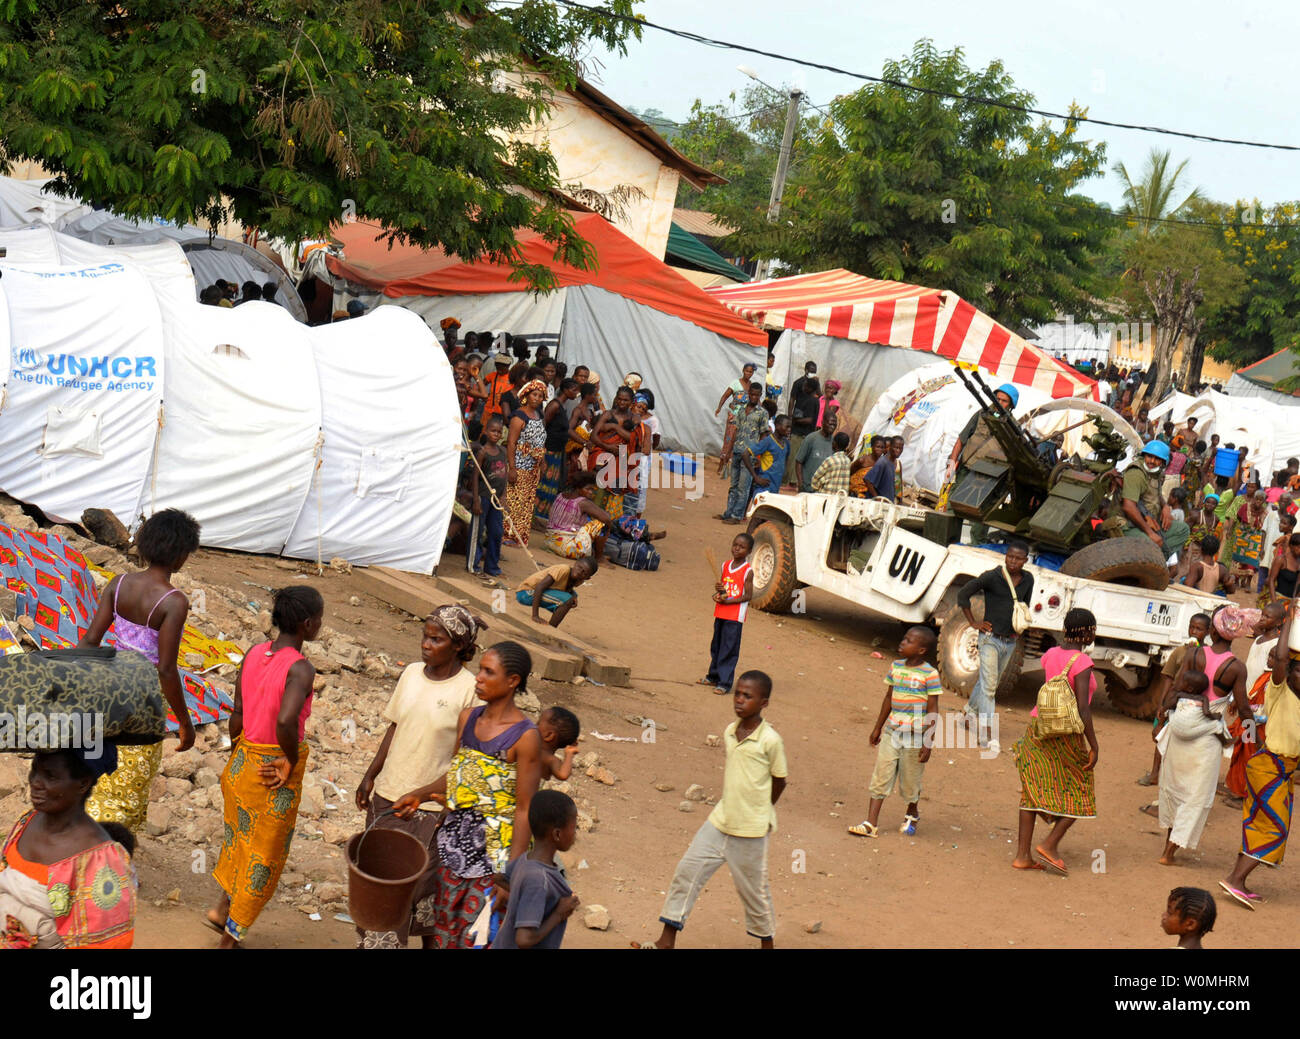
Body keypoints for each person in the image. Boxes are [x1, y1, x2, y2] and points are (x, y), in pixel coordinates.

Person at [395, 641, 542, 948]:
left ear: (513, 681)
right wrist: (419, 795)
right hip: (454, 848)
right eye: (480, 670)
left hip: (494, 858)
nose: (478, 678)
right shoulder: (469, 718)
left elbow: (525, 810)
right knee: (444, 934)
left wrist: (508, 875)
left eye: (489, 672)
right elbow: (458, 775)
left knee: (480, 939)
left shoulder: (526, 737)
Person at [354, 605, 485, 948]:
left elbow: (462, 758)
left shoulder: (469, 690)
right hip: (388, 795)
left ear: (457, 646)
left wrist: (445, 806)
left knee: (415, 894)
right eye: (425, 636)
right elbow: (395, 727)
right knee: (380, 883)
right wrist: (371, 775)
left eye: (436, 639)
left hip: (427, 810)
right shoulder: (411, 673)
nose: (426, 644)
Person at [210, 584, 323, 947]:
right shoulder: (301, 669)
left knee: (238, 843)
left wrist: (235, 758)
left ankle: (222, 907)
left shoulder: (254, 653)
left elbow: (237, 714)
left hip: (242, 761)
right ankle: (232, 936)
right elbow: (287, 722)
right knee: (263, 857)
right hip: (272, 769)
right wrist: (289, 760)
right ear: (308, 624)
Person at [642, 670, 786, 949]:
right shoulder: (731, 732)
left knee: (753, 891)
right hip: (720, 821)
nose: (740, 700)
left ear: (764, 703)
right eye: (738, 694)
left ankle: (766, 945)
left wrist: (761, 809)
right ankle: (666, 940)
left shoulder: (771, 741)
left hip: (750, 831)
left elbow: (780, 781)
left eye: (748, 696)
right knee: (688, 871)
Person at [79, 508, 201, 833]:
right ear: (181, 555)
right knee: (129, 776)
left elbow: (90, 641)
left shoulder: (119, 584)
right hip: (142, 703)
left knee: (97, 767)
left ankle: (82, 843)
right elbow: (165, 669)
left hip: (107, 690)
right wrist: (185, 722)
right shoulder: (174, 602)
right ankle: (109, 856)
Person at [0, 746, 136, 948]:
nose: (35, 782)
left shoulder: (100, 860)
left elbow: (105, 946)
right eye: (34, 770)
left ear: (83, 784)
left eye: (50, 776)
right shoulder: (27, 821)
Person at [1220, 606, 1300, 910]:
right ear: (1287, 674)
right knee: (1273, 827)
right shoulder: (1280, 690)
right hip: (1269, 766)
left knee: (1260, 823)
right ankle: (1235, 880)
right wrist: (1290, 620)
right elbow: (1280, 659)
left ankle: (1237, 879)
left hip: (1279, 770)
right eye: (1297, 670)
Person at [1010, 608, 1100, 875]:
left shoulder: (1050, 655)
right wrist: (1094, 744)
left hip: (1039, 728)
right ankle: (1050, 844)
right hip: (1066, 734)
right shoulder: (1082, 662)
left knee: (1033, 789)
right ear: (1087, 632)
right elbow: (1083, 708)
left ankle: (1022, 856)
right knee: (1080, 790)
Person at [847, 626, 939, 838]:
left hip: (915, 736)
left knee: (910, 780)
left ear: (921, 650)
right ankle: (871, 823)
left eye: (908, 641)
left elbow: (933, 708)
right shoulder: (895, 667)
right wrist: (878, 726)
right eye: (904, 639)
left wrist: (928, 741)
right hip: (892, 732)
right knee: (882, 775)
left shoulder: (930, 674)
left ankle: (912, 812)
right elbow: (889, 697)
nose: (902, 643)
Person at [956, 539, 1034, 749]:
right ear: (1005, 556)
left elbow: (1024, 606)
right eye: (1010, 556)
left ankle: (967, 714)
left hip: (1010, 641)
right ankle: (986, 732)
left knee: (987, 683)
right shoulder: (992, 576)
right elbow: (963, 594)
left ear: (1025, 561)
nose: (1013, 561)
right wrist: (973, 622)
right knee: (990, 687)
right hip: (990, 639)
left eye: (1018, 558)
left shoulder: (1028, 580)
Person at [491, 790, 580, 949]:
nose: (575, 833)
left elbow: (498, 876)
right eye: (574, 827)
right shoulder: (539, 880)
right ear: (557, 834)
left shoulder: (526, 859)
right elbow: (524, 940)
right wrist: (559, 914)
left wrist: (522, 895)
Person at [1155, 670, 1225, 865]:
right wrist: (1216, 717)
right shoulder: (1203, 696)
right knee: (1194, 798)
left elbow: (1167, 707)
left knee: (1174, 792)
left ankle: (1167, 851)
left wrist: (1161, 718)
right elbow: (1207, 713)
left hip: (1178, 736)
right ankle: (1168, 853)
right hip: (1202, 740)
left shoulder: (1178, 694)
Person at [1138, 613, 1212, 788]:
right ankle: (1155, 773)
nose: (1194, 631)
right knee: (1161, 736)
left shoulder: (1207, 653)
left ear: (1208, 632)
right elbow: (1168, 677)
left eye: (1199, 629)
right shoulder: (1180, 651)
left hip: (1193, 703)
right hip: (1173, 699)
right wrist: (1162, 702)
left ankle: (1178, 777)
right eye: (1192, 627)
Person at [698, 533, 754, 696]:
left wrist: (728, 601)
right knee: (716, 645)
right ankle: (713, 676)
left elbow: (748, 596)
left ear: (749, 551)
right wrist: (719, 592)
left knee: (729, 648)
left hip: (734, 616)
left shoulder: (747, 571)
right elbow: (725, 589)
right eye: (735, 544)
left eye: (742, 547)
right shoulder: (725, 565)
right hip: (721, 612)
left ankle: (725, 682)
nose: (737, 548)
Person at [502, 379, 548, 548]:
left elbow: (540, 441)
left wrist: (542, 461)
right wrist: (512, 468)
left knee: (526, 503)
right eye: (534, 395)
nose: (537, 398)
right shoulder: (519, 416)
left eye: (540, 396)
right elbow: (511, 443)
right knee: (514, 501)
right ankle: (507, 534)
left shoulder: (539, 416)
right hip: (520, 464)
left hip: (533, 467)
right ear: (526, 396)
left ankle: (519, 536)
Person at [946, 383, 1019, 483]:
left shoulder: (1013, 426)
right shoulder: (982, 414)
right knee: (950, 496)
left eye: (1004, 401)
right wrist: (951, 465)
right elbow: (961, 440)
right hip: (965, 468)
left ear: (1011, 405)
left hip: (986, 477)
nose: (999, 403)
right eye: (997, 399)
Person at [534, 378, 580, 527]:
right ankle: (534, 518)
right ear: (565, 389)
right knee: (543, 485)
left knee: (551, 486)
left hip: (557, 452)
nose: (576, 393)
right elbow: (543, 425)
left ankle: (540, 518)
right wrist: (541, 449)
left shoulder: (563, 407)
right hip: (549, 451)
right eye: (574, 390)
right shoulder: (554, 405)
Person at [470, 414, 508, 577]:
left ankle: (491, 566)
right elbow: (475, 476)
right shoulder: (483, 452)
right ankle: (473, 564)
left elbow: (505, 475)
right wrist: (476, 500)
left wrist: (504, 495)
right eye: (493, 431)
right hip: (484, 497)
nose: (496, 435)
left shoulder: (503, 451)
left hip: (497, 500)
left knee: (496, 532)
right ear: (486, 431)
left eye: (499, 432)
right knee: (477, 533)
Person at [516, 557, 597, 630]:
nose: (580, 572)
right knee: (567, 600)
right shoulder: (563, 569)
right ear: (575, 563)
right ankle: (551, 630)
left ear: (587, 578)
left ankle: (551, 628)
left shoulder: (579, 580)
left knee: (570, 599)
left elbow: (566, 589)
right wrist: (535, 616)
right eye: (579, 567)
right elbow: (539, 587)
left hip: (537, 593)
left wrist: (574, 597)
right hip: (525, 592)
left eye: (584, 573)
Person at [1121, 442, 1169, 548]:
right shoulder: (1136, 473)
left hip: (1150, 518)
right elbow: (1128, 507)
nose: (1152, 461)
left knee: (1182, 529)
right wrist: (1150, 533)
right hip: (1130, 523)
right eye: (1149, 456)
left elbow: (1157, 494)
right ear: (1144, 456)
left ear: (1162, 462)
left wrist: (1165, 506)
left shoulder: (1156, 473)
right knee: (1151, 545)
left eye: (1157, 458)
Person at [714, 362, 758, 477]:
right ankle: (721, 465)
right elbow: (725, 395)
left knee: (738, 442)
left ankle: (731, 468)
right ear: (743, 370)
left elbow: (756, 400)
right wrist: (719, 408)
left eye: (751, 372)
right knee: (728, 440)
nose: (749, 373)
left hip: (744, 418)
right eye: (747, 371)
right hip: (734, 416)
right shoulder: (735, 383)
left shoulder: (751, 385)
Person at [744, 415, 791, 508]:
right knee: (761, 512)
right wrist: (756, 477)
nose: (789, 429)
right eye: (787, 426)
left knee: (766, 514)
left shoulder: (787, 444)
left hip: (775, 486)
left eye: (790, 427)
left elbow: (785, 459)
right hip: (764, 486)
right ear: (777, 426)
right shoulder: (768, 441)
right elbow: (745, 454)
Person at [792, 412, 839, 494]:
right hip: (807, 488)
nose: (832, 427)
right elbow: (799, 461)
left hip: (824, 490)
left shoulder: (834, 443)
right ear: (823, 422)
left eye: (834, 425)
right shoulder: (811, 439)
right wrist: (800, 483)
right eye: (830, 424)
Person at [537, 706, 581, 781]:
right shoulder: (550, 760)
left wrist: (569, 754)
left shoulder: (549, 759)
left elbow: (563, 775)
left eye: (538, 723)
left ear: (549, 736)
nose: (533, 726)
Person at [854, 435, 898, 501]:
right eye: (878, 447)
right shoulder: (862, 461)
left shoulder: (883, 463)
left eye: (882, 447)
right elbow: (851, 473)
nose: (880, 450)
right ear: (872, 446)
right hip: (856, 495)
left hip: (870, 496)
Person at [1267, 531, 1300, 603]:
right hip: (1278, 598)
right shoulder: (1281, 560)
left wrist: (1295, 602)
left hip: (1292, 602)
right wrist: (1274, 602)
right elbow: (1271, 580)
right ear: (1291, 546)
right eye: (1299, 547)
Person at [481, 352, 514, 424]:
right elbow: (482, 383)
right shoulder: (493, 375)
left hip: (503, 412)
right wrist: (484, 395)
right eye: (497, 368)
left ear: (508, 366)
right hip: (489, 410)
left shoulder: (512, 377)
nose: (499, 371)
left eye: (502, 369)